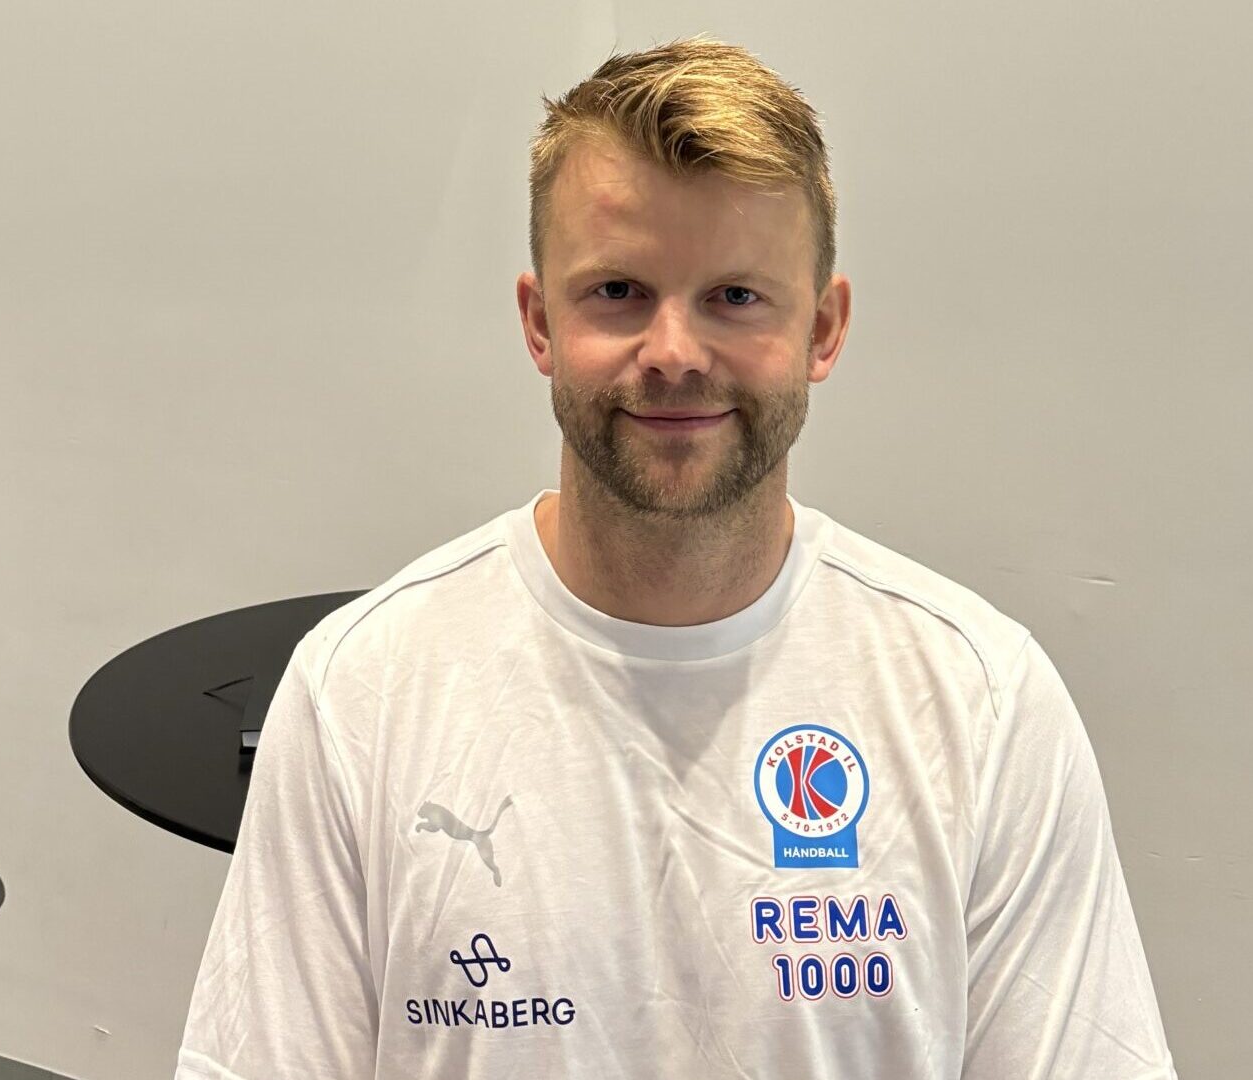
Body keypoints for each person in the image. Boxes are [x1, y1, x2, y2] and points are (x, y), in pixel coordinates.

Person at [177, 34, 1177, 1079]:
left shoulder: (980, 703)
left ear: (823, 329)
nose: (673, 353)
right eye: (617, 291)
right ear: (539, 323)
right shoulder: (361, 692)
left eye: (735, 297)